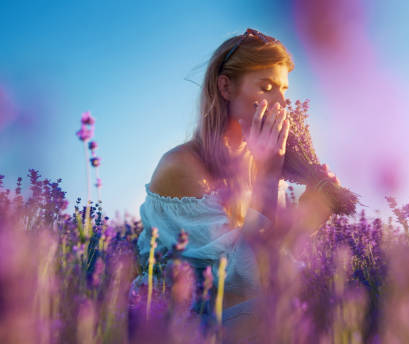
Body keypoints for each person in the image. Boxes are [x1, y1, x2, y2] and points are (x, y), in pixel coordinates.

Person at [131, 28, 338, 340]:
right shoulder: (182, 167)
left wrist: (309, 215)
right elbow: (241, 280)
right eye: (267, 87)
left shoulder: (259, 162)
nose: (281, 102)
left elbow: (272, 261)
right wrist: (268, 178)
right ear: (226, 87)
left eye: (284, 90)